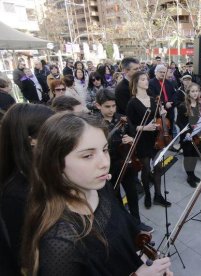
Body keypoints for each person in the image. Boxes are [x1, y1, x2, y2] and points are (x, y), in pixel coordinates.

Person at [21, 112, 172, 276]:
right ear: (55, 163)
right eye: (87, 155)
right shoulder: (59, 242)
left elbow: (124, 237)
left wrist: (150, 262)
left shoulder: (99, 187)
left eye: (105, 149)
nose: (105, 163)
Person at [0, 103, 54, 273]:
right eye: (52, 133)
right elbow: (25, 257)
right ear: (32, 141)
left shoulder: (44, 170)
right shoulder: (16, 194)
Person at [95, 88, 153, 232]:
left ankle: (137, 222)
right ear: (98, 106)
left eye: (113, 106)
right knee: (116, 198)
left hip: (127, 163)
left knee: (132, 194)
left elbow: (134, 134)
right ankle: (124, 224)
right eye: (107, 107)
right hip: (109, 166)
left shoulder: (122, 118)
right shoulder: (94, 123)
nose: (111, 110)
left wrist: (131, 139)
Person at [126, 71, 171, 208]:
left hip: (156, 139)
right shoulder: (132, 103)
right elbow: (130, 126)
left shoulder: (152, 100)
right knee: (145, 169)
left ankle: (157, 195)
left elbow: (158, 117)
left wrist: (162, 113)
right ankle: (147, 194)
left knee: (157, 168)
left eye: (147, 79)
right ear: (136, 83)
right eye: (143, 79)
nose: (147, 81)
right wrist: (144, 128)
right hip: (142, 140)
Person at [176, 83, 201, 187]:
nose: (195, 93)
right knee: (188, 157)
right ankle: (189, 176)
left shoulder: (199, 105)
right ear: (188, 93)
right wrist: (187, 131)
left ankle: (192, 174)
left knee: (195, 155)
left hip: (198, 135)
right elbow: (178, 121)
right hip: (187, 136)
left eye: (197, 91)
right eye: (192, 91)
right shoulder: (183, 106)